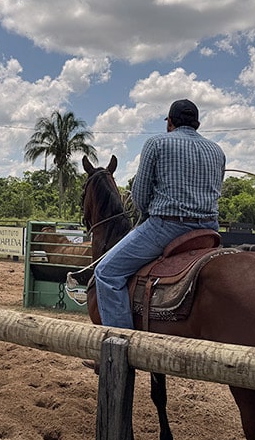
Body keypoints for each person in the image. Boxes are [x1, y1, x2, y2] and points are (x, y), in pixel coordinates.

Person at [91, 99, 226, 330]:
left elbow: (141, 197)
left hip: (166, 228)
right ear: (197, 124)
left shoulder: (156, 143)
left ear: (170, 123)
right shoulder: (217, 150)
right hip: (209, 230)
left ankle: (119, 346)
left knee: (106, 273)